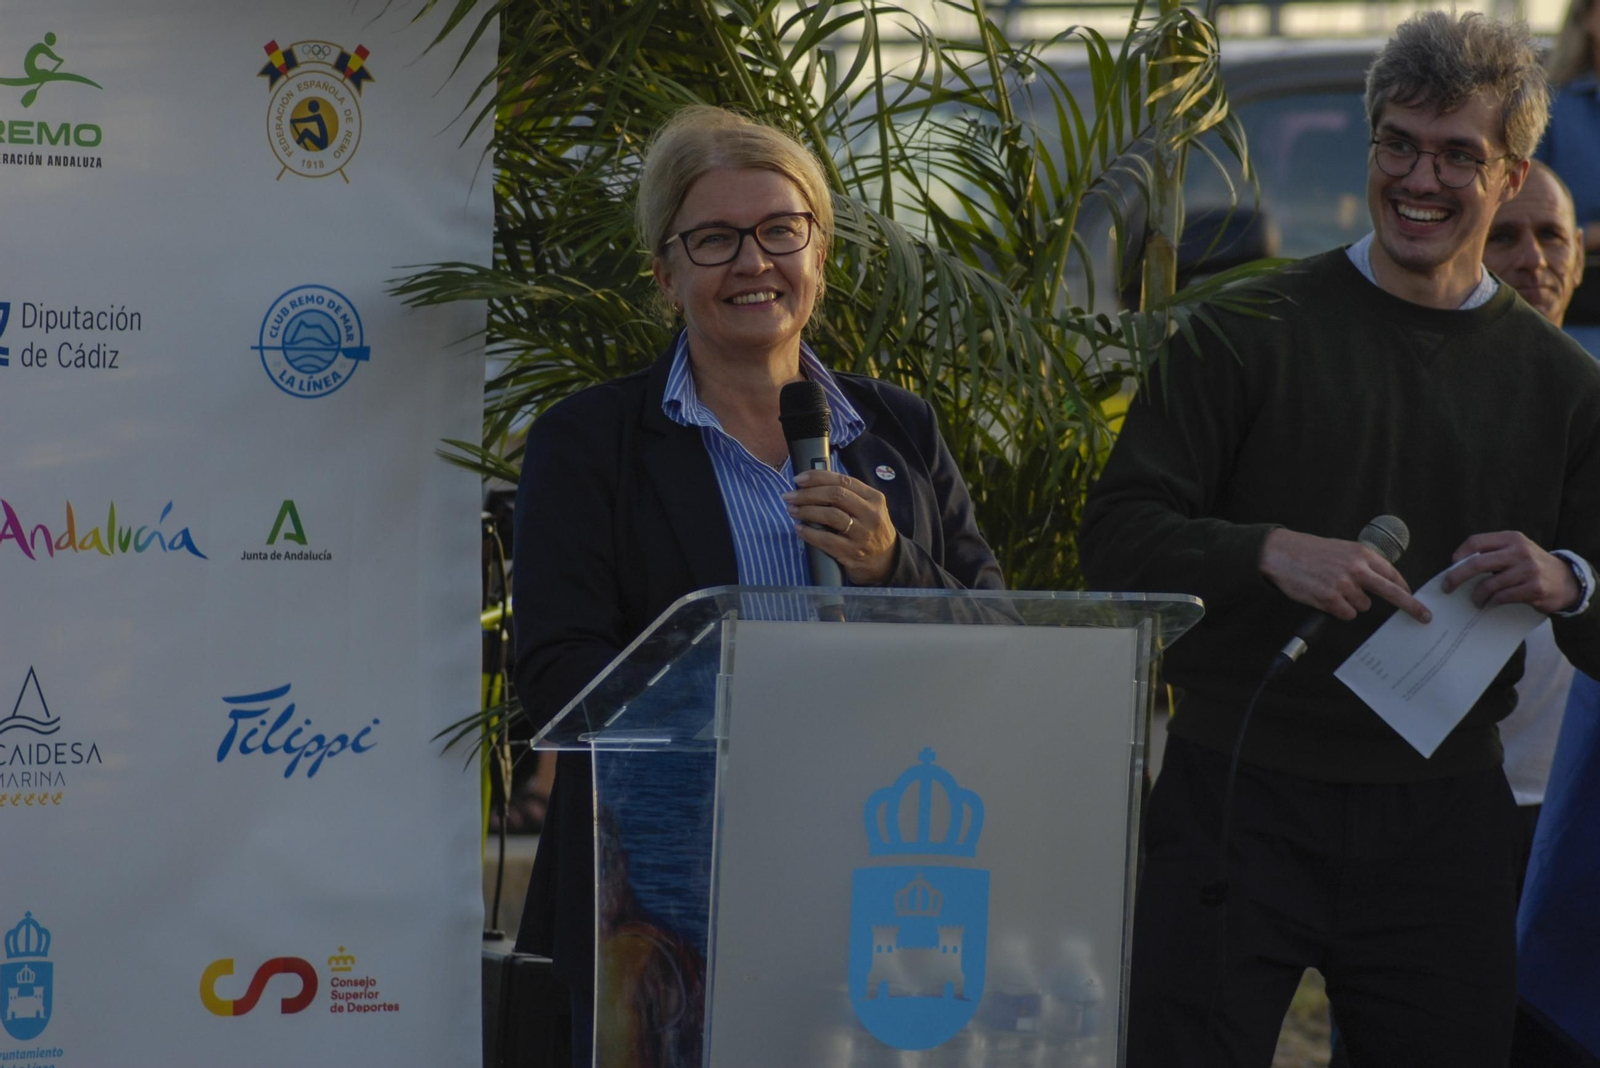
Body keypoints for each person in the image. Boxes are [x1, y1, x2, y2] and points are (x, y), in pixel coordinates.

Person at [1079, 13, 1600, 1066]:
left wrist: (1569, 579)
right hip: (1236, 789)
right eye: (1398, 144)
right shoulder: (1244, 331)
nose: (1420, 179)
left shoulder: (1565, 387)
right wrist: (1266, 550)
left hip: (1443, 819)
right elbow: (1117, 540)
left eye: (1457, 155)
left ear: (1510, 176)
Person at [509, 105, 1004, 1067]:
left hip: (876, 879)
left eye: (781, 230)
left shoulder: (898, 429)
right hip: (661, 895)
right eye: (715, 239)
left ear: (820, 252)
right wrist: (753, 715)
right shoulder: (591, 443)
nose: (754, 262)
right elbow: (559, 672)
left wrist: (893, 565)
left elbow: (998, 637)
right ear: (666, 274)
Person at [1537, 0, 1600, 353]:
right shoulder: (1553, 111)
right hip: (1576, 318)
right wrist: (1588, 236)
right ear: (1586, 16)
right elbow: (1514, 213)